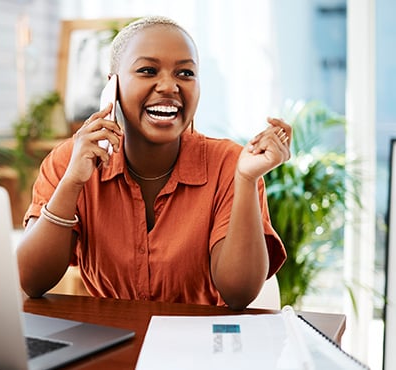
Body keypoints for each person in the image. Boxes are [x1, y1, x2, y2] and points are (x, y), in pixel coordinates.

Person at [16, 16, 292, 310]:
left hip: (200, 342)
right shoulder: (69, 161)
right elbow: (32, 281)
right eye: (148, 70)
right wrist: (72, 183)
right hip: (114, 341)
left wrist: (247, 180)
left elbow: (239, 293)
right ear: (113, 87)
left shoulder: (231, 165)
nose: (169, 86)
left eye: (185, 73)